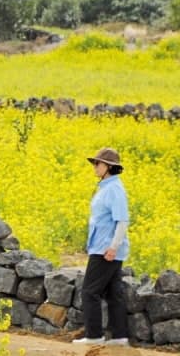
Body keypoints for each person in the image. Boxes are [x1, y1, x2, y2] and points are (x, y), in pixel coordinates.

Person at [72, 148, 130, 347]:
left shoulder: (114, 189)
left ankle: (95, 335)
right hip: (103, 247)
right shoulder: (106, 187)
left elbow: (122, 221)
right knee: (114, 293)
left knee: (89, 292)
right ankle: (119, 337)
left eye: (98, 163)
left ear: (109, 167)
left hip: (105, 249)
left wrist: (113, 247)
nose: (94, 167)